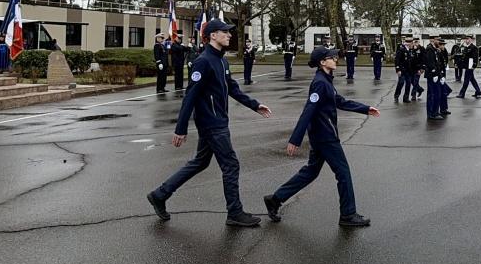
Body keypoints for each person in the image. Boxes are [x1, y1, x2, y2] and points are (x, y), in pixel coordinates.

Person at [146, 19, 273, 227]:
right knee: (231, 165)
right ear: (213, 35)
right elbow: (190, 96)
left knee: (200, 162)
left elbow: (232, 88)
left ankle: (160, 195)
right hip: (212, 124)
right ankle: (235, 212)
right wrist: (181, 128)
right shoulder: (203, 61)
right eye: (225, 32)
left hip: (217, 121)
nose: (229, 35)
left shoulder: (222, 61)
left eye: (229, 32)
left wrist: (255, 105)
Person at [263, 46, 380, 227]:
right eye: (331, 57)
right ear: (322, 62)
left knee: (310, 172)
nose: (336, 59)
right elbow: (308, 110)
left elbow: (340, 101)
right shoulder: (320, 83)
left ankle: (275, 199)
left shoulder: (325, 80)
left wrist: (365, 109)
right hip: (325, 137)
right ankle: (348, 215)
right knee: (343, 173)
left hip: (322, 135)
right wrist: (295, 139)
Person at [422, 36, 445, 120]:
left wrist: (441, 76)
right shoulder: (429, 49)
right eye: (438, 40)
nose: (439, 42)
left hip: (436, 75)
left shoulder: (435, 49)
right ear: (433, 40)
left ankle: (435, 111)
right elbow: (430, 63)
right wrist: (434, 73)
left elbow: (438, 64)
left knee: (437, 94)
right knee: (432, 95)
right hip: (432, 76)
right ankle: (431, 113)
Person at [458, 34, 481, 99]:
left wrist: (474, 65)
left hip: (471, 65)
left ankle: (462, 93)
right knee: (472, 79)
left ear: (471, 40)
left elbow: (475, 57)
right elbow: (464, 57)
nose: (466, 40)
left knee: (466, 80)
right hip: (466, 65)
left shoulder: (474, 48)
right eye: (466, 39)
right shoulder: (466, 47)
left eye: (468, 39)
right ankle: (478, 92)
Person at [393, 37, 413, 102]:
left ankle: (406, 98)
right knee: (401, 83)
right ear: (408, 43)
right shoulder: (401, 49)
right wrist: (398, 69)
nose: (412, 45)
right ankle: (396, 96)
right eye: (411, 43)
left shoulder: (410, 50)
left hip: (408, 70)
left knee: (408, 84)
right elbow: (397, 60)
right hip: (402, 70)